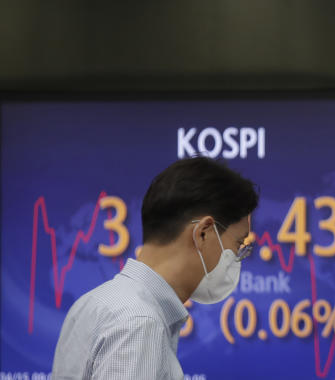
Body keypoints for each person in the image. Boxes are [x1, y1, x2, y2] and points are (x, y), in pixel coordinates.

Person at [52, 156, 259, 379]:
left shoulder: (94, 302)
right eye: (239, 243)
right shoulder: (140, 323)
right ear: (203, 233)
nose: (238, 257)